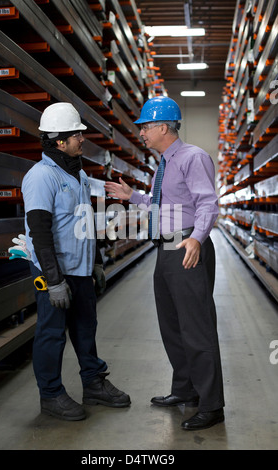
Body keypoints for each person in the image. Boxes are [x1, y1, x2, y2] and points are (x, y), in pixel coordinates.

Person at [105, 95, 225, 431]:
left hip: (186, 246)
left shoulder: (192, 157)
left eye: (144, 127)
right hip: (166, 247)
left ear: (162, 127)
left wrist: (197, 239)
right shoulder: (165, 163)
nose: (141, 133)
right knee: (172, 326)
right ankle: (185, 391)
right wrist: (135, 198)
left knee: (197, 328)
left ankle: (211, 404)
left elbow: (207, 204)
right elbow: (169, 202)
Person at [20, 102, 130, 421]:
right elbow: (39, 232)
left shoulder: (78, 175)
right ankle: (51, 395)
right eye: (76, 135)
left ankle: (93, 384)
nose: (83, 139)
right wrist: (53, 281)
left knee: (85, 328)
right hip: (54, 272)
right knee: (52, 333)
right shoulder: (41, 176)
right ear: (59, 141)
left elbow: (86, 222)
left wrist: (95, 262)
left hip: (79, 269)